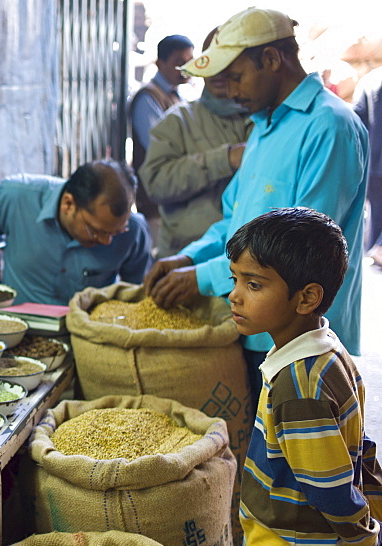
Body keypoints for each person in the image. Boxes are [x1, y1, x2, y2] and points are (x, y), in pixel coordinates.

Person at [144, 7, 368, 400]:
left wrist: (200, 278)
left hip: (305, 338)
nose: (231, 91)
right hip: (260, 331)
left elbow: (304, 252)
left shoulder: (329, 125)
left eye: (236, 77)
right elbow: (235, 221)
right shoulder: (264, 128)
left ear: (271, 59)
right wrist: (188, 258)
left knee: (307, 448)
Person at [225, 208, 382, 546]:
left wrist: (371, 545)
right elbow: (361, 452)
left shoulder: (297, 385)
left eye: (254, 285)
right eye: (235, 279)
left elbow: (331, 487)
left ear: (307, 297)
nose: (234, 296)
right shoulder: (330, 352)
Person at [0, 159, 152, 306]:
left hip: (86, 337)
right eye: (96, 231)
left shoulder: (135, 231)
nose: (106, 241)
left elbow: (135, 296)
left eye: (116, 232)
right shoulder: (16, 196)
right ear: (68, 204)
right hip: (15, 328)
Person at [139, 28, 252, 257]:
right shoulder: (177, 120)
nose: (219, 72)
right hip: (186, 260)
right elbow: (156, 184)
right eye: (212, 61)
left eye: (228, 62)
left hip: (249, 259)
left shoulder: (263, 121)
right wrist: (224, 159)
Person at [129, 34, 194, 238]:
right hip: (154, 200)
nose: (185, 68)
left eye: (189, 62)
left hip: (173, 199)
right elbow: (158, 147)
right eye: (179, 63)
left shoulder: (177, 96)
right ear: (160, 63)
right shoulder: (148, 98)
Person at [354, 65, 382, 259]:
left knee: (375, 213)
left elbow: (357, 120)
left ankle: (374, 251)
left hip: (371, 164)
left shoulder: (369, 80)